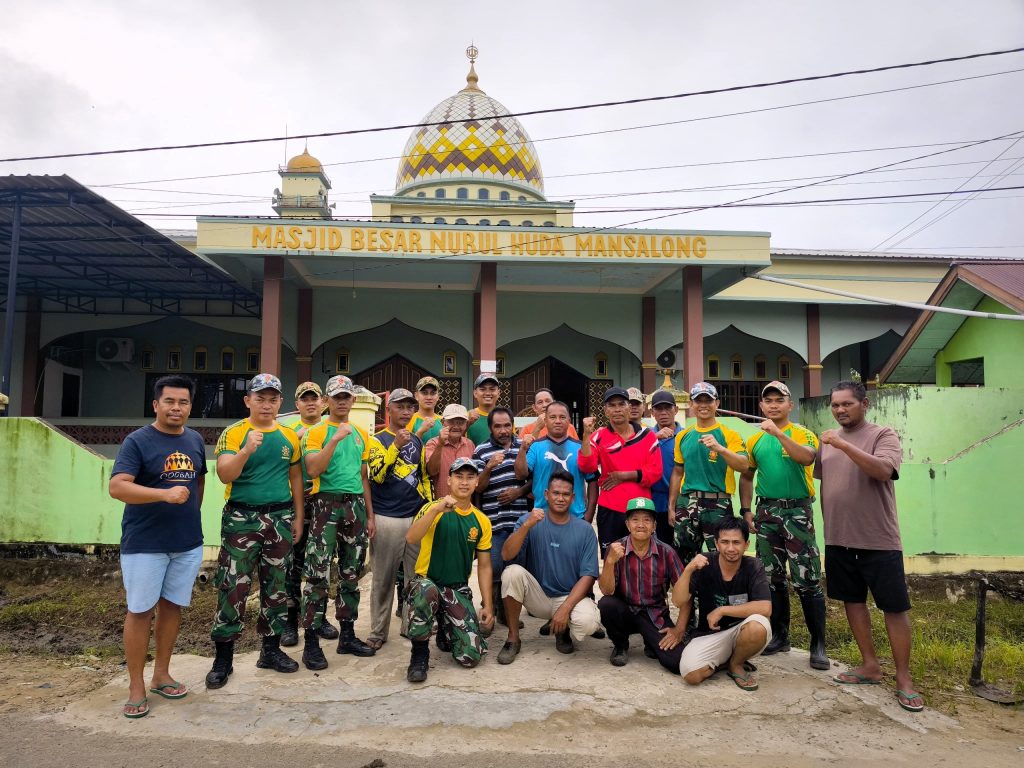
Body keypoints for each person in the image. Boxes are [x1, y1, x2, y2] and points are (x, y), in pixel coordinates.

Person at [816, 380, 923, 712]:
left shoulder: (882, 435)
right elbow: (825, 476)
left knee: (893, 607)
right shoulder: (828, 441)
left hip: (878, 539)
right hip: (837, 537)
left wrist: (844, 445)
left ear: (864, 404)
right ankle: (869, 665)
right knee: (852, 602)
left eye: (847, 404)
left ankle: (904, 678)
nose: (840, 410)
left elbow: (883, 471)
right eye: (835, 405)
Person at [109, 375, 207, 719]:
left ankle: (161, 673)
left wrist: (190, 517)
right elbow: (118, 487)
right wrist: (163, 495)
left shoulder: (195, 440)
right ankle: (136, 685)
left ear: (190, 407)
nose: (176, 408)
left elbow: (199, 480)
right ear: (156, 404)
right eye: (170, 401)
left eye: (183, 402)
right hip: (145, 544)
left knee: (173, 607)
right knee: (139, 611)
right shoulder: (137, 441)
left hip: (187, 543)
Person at [206, 373, 304, 689]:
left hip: (279, 519)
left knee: (276, 587)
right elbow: (224, 474)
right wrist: (246, 450)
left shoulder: (290, 437)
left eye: (272, 398)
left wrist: (298, 519)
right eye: (260, 398)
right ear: (248, 400)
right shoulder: (234, 433)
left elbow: (296, 480)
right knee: (233, 587)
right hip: (241, 519)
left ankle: (270, 651)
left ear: (280, 403)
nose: (266, 404)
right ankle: (223, 659)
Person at [739, 381, 828, 670]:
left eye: (780, 400)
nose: (774, 405)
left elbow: (807, 458)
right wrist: (746, 509)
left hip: (797, 512)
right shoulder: (754, 441)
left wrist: (778, 433)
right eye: (769, 401)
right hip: (766, 512)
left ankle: (818, 643)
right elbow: (748, 475)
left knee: (807, 578)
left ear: (791, 405)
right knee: (772, 577)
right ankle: (780, 635)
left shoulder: (803, 434)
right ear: (761, 406)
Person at [298, 375, 376, 669]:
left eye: (347, 396)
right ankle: (311, 643)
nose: (342, 401)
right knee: (317, 575)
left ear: (353, 400)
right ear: (326, 401)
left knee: (351, 573)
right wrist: (334, 439)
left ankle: (347, 635)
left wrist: (369, 515)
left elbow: (363, 476)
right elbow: (313, 467)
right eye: (336, 396)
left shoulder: (361, 434)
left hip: (354, 505)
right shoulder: (317, 432)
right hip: (325, 504)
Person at [496, 471, 602, 664]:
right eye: (555, 493)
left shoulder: (585, 530)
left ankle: (563, 631)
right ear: (546, 494)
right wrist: (526, 526)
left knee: (589, 622)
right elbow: (506, 555)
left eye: (565, 494)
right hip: (539, 597)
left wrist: (565, 608)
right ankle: (513, 638)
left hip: (568, 597)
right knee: (511, 573)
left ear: (573, 497)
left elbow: (588, 576)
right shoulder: (529, 520)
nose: (560, 498)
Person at [404, 457, 494, 682]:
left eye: (470, 477)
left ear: (476, 482)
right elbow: (411, 537)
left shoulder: (481, 521)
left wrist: (488, 606)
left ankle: (446, 629)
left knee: (470, 657)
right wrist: (436, 511)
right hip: (428, 584)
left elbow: (484, 566)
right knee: (425, 590)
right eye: (459, 477)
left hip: (456, 589)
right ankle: (419, 653)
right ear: (449, 480)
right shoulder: (432, 508)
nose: (464, 482)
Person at [366, 388, 433, 650]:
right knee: (383, 578)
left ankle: (411, 625)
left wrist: (427, 508)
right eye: (400, 407)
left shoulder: (418, 441)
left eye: (410, 407)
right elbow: (378, 475)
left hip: (414, 516)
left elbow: (423, 477)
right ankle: (378, 630)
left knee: (414, 578)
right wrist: (395, 446)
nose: (406, 412)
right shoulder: (378, 440)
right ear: (389, 409)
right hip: (387, 518)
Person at [671, 518, 772, 690]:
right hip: (710, 634)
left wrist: (722, 610)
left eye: (736, 542)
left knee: (758, 625)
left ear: (746, 544)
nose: (731, 548)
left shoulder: (753, 566)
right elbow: (678, 601)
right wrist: (689, 569)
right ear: (716, 544)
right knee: (691, 675)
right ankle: (726, 660)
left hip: (742, 631)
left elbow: (765, 608)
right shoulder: (705, 564)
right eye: (725, 542)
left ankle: (736, 664)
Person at [598, 497, 686, 671]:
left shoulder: (667, 552)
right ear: (627, 524)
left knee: (676, 663)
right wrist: (609, 562)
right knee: (607, 604)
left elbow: (686, 595)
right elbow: (606, 590)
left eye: (647, 520)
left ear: (654, 526)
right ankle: (621, 644)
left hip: (654, 614)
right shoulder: (616, 549)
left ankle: (649, 640)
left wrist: (679, 629)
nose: (641, 525)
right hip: (625, 610)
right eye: (635, 519)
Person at [281, 381, 338, 646]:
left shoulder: (331, 427)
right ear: (297, 404)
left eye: (314, 398)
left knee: (323, 564)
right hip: (295, 502)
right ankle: (290, 621)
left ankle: (320, 617)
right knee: (293, 563)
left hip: (325, 502)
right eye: (304, 399)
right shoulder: (288, 431)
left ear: (324, 401)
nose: (310, 402)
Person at [668, 382, 749, 565]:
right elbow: (678, 472)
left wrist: (720, 448)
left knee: (723, 558)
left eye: (708, 400)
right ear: (691, 404)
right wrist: (672, 506)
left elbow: (744, 466)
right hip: (687, 503)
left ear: (717, 404)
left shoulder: (729, 435)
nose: (703, 405)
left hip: (718, 503)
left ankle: (720, 594)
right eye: (698, 401)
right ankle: (689, 593)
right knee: (684, 561)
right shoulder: (683, 436)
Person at [578, 387, 662, 556]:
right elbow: (587, 466)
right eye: (612, 405)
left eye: (621, 404)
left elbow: (655, 471)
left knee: (644, 559)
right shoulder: (599, 436)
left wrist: (624, 475)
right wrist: (586, 435)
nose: (617, 409)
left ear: (628, 407)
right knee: (612, 560)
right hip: (610, 509)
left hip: (641, 508)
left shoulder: (647, 436)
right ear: (605, 410)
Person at [472, 406, 531, 627]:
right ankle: (492, 609)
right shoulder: (481, 451)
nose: (504, 430)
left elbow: (532, 479)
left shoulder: (524, 445)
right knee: (495, 568)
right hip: (493, 522)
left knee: (516, 569)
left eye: (507, 425)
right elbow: (477, 488)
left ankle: (510, 614)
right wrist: (489, 467)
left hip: (519, 521)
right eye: (498, 426)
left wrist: (518, 492)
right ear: (490, 428)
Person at [514, 401, 589, 520]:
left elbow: (592, 479)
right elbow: (520, 474)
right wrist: (522, 449)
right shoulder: (536, 446)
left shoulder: (580, 447)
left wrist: (589, 515)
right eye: (552, 417)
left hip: (575, 517)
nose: (558, 421)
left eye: (562, 417)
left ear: (569, 420)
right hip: (542, 517)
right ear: (546, 421)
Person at [649, 390, 682, 545]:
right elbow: (634, 456)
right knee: (657, 550)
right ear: (652, 412)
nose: (663, 413)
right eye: (658, 409)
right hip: (654, 502)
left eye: (667, 408)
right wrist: (654, 438)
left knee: (681, 551)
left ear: (676, 410)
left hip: (681, 502)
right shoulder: (646, 436)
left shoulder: (685, 436)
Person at [424, 403, 475, 496]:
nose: (456, 426)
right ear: (443, 422)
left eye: (460, 422)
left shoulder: (470, 444)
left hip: (465, 505)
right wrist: (440, 444)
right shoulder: (433, 443)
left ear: (466, 424)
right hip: (440, 504)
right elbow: (431, 471)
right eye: (451, 422)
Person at [466, 373, 501, 446]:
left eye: (492, 389)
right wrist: (467, 424)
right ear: (475, 393)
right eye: (482, 389)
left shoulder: (504, 417)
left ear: (498, 393)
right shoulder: (467, 416)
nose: (488, 393)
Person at [409, 375, 442, 443]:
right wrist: (420, 432)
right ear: (416, 396)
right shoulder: (408, 420)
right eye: (424, 393)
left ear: (438, 397)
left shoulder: (444, 421)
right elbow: (404, 449)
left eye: (433, 393)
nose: (429, 397)